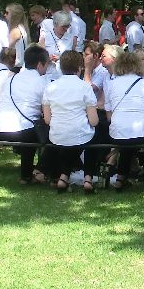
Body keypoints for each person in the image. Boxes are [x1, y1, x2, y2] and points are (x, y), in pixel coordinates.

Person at [0, 44, 51, 184]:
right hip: (22, 131)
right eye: (47, 64)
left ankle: (28, 174)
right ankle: (37, 172)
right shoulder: (43, 82)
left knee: (29, 128)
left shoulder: (11, 78)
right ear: (40, 65)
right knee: (51, 133)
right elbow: (48, 111)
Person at [41, 50, 100, 193]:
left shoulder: (50, 87)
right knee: (94, 136)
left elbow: (47, 120)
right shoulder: (85, 87)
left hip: (57, 134)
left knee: (72, 140)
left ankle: (64, 176)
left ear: (61, 67)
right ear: (79, 68)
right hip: (79, 134)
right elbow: (93, 121)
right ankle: (88, 178)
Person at [104, 49, 144, 191]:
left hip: (117, 133)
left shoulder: (111, 84)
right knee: (141, 141)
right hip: (142, 132)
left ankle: (121, 177)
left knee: (126, 143)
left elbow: (109, 116)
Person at [39, 9, 76, 81]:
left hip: (64, 77)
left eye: (68, 26)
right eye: (63, 26)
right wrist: (47, 59)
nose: (66, 29)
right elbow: (39, 59)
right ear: (55, 24)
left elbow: (73, 59)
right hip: (48, 76)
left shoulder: (71, 38)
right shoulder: (45, 38)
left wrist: (61, 58)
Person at [6, 4, 30, 69]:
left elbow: (7, 51)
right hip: (23, 65)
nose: (5, 15)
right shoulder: (22, 28)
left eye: (7, 13)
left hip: (16, 67)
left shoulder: (15, 31)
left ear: (13, 15)